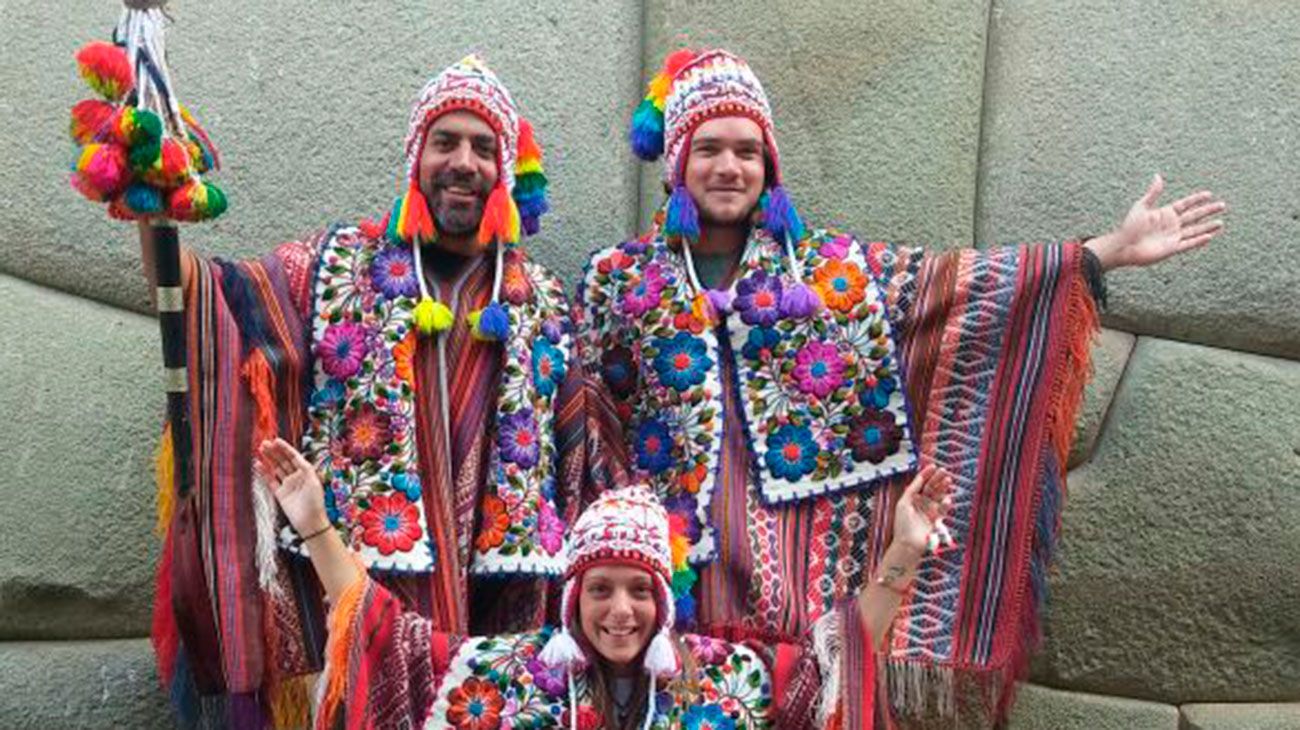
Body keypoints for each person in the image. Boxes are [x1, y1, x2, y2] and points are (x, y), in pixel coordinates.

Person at [577, 48, 1226, 723]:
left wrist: (1105, 251)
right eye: (708, 148)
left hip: (797, 574)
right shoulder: (616, 280)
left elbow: (954, 291)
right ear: (676, 160)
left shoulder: (834, 273)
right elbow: (584, 430)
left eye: (747, 150)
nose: (729, 167)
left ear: (769, 166)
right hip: (665, 579)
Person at [142, 55, 622, 722]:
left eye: (483, 148)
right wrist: (152, 213)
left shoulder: (542, 299)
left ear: (505, 172)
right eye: (444, 142)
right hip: (356, 598)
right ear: (415, 157)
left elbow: (580, 460)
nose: (463, 162)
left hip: (496, 626)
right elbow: (215, 306)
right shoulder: (338, 263)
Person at [256, 436, 955, 728]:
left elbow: (836, 663)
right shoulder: (505, 674)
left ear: (663, 601)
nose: (621, 610)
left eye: (639, 589)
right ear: (572, 598)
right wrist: (317, 527)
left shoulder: (722, 679)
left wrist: (901, 552)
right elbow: (382, 636)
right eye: (600, 589)